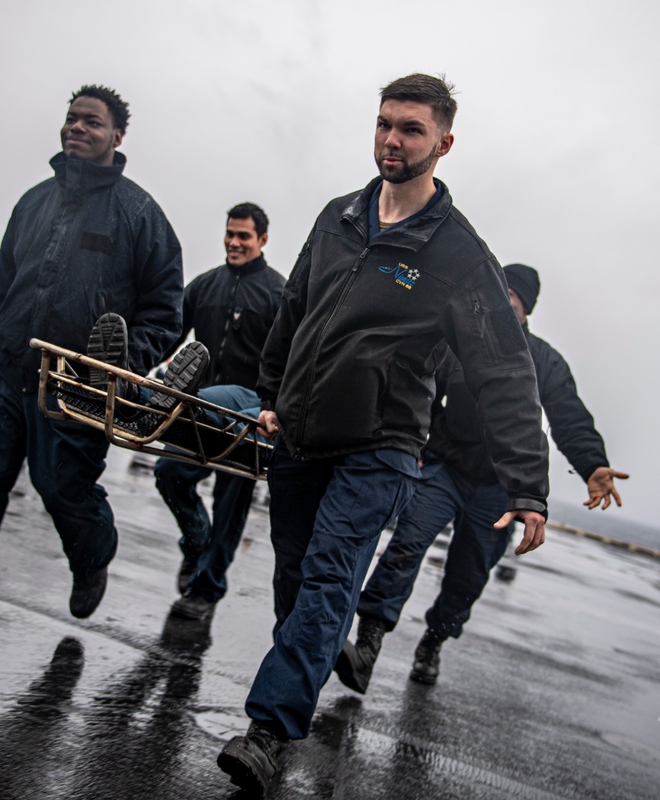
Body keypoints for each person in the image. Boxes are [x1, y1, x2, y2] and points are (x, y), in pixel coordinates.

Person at [216, 74, 550, 797]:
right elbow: (294, 305)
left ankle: (269, 731)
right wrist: (272, 394)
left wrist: (528, 485)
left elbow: (503, 369)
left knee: (332, 578)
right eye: (384, 124)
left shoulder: (459, 253)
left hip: (384, 445)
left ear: (444, 143)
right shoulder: (340, 213)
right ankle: (317, 649)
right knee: (297, 580)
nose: (392, 140)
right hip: (302, 433)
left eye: (411, 130)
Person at [0, 85, 184, 629]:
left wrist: (120, 365)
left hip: (79, 382)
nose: (77, 128)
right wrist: (5, 335)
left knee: (61, 486)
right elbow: (9, 275)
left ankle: (93, 550)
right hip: (10, 368)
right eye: (71, 119)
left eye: (92, 122)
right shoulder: (33, 201)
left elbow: (166, 309)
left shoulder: (140, 214)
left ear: (118, 136)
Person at [335, 263, 629, 692]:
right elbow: (421, 389)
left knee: (468, 578)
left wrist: (591, 463)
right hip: (445, 468)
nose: (503, 304)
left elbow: (568, 415)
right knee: (406, 545)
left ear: (525, 308)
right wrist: (414, 446)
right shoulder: (459, 340)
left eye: (512, 298)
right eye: (498, 294)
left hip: (499, 488)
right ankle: (368, 645)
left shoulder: (542, 360)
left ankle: (433, 642)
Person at [153, 202, 285, 621]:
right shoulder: (204, 286)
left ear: (262, 240)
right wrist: (137, 370)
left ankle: (207, 589)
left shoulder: (278, 294)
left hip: (249, 415)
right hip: (199, 407)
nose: (234, 242)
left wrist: (277, 408)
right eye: (230, 233)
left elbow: (288, 358)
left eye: (244, 236)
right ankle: (196, 541)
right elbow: (170, 337)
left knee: (231, 505)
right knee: (168, 473)